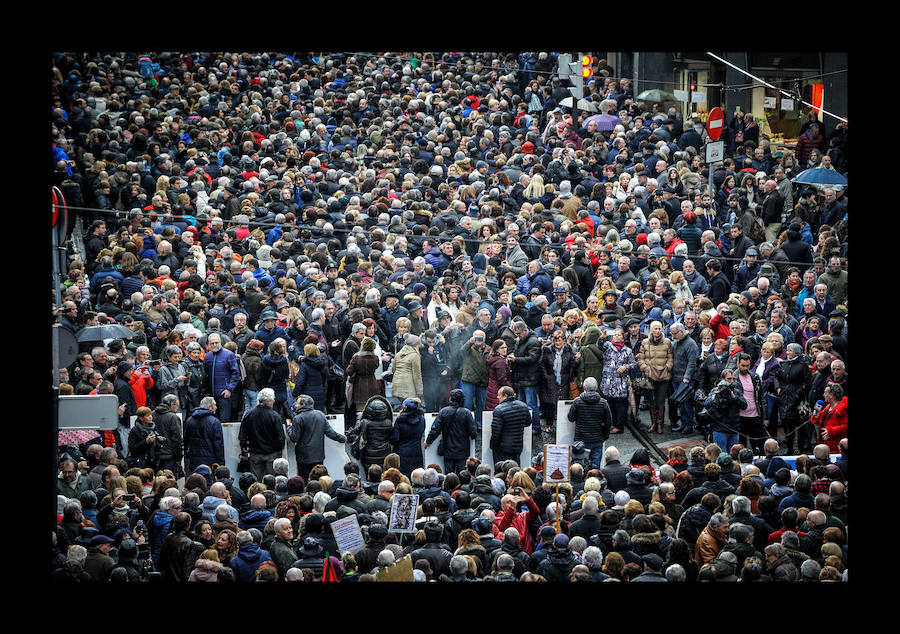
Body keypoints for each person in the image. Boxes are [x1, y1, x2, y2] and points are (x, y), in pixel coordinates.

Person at [288, 394, 346, 484]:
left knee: (305, 480)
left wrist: (289, 427)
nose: (295, 405)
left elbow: (294, 438)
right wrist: (343, 438)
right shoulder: (320, 415)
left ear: (303, 405)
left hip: (303, 457)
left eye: (297, 403)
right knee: (319, 479)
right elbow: (331, 433)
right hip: (318, 455)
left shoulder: (298, 418)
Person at [238, 387, 286, 483]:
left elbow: (242, 435)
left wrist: (245, 448)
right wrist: (278, 451)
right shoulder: (275, 416)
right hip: (271, 454)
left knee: (256, 481)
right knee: (271, 481)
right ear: (271, 401)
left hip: (255, 453)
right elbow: (281, 437)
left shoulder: (249, 415)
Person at [425, 389, 478, 475]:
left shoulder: (443, 411)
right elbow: (473, 433)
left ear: (451, 399)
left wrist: (428, 441)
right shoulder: (467, 413)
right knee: (462, 475)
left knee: (449, 475)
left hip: (448, 449)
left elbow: (435, 429)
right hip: (462, 450)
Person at [539, 328, 579, 434]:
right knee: (550, 404)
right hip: (551, 380)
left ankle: (563, 427)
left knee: (563, 404)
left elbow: (572, 365)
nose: (558, 342)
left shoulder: (569, 350)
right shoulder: (547, 350)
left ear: (564, 340)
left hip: (564, 380)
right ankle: (549, 424)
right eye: (556, 340)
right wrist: (546, 376)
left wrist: (576, 360)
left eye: (560, 340)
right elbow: (542, 364)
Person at [567, 377, 613, 469]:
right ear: (596, 388)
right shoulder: (603, 403)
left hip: (581, 440)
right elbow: (608, 422)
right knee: (595, 466)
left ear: (584, 388)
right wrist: (605, 436)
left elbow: (571, 418)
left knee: (579, 466)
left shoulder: (577, 402)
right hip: (597, 439)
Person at [637, 321, 674, 434]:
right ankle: (653, 423)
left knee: (661, 400)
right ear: (651, 330)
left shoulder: (667, 342)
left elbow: (670, 357)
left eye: (659, 328)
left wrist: (667, 367)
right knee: (651, 400)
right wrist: (645, 368)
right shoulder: (645, 342)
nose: (657, 331)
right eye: (655, 329)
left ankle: (660, 423)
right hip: (650, 375)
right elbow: (641, 358)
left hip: (663, 375)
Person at [702, 369, 747, 453]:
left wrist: (734, 398)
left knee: (734, 456)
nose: (732, 381)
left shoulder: (736, 391)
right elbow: (706, 404)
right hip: (720, 429)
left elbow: (744, 405)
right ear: (722, 379)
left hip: (734, 429)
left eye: (733, 379)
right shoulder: (715, 391)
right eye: (729, 379)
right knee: (721, 456)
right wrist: (717, 397)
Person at [490, 386, 533, 467]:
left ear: (505, 396)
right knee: (515, 470)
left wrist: (493, 446)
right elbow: (528, 422)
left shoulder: (499, 410)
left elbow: (496, 432)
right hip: (517, 446)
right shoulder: (523, 406)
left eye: (499, 395)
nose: (497, 397)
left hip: (502, 447)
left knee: (501, 470)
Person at [184, 396, 225, 474]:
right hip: (210, 461)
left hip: (194, 459)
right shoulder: (214, 422)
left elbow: (187, 441)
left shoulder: (190, 420)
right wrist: (221, 462)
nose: (216, 407)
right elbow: (218, 444)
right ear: (210, 407)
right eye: (215, 405)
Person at [392, 398, 426, 477]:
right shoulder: (422, 419)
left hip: (401, 454)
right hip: (416, 452)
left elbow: (395, 439)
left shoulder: (399, 420)